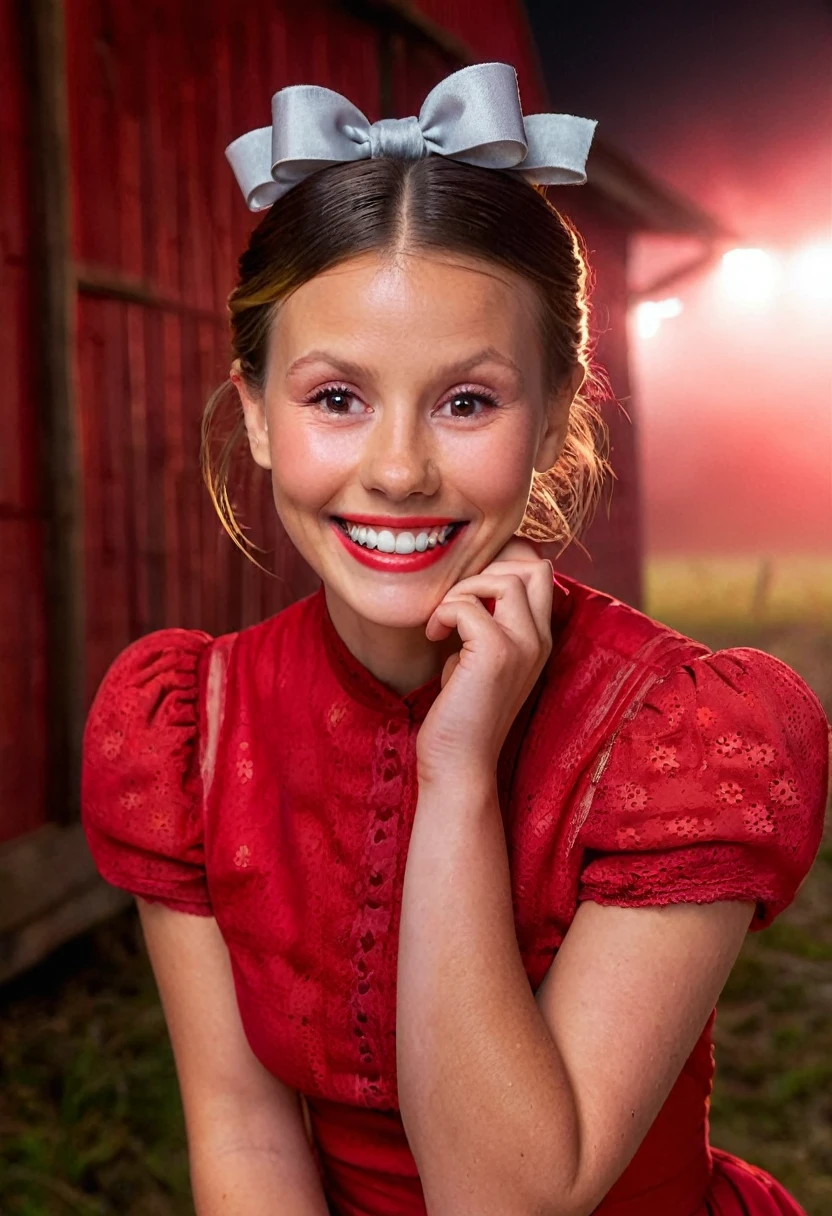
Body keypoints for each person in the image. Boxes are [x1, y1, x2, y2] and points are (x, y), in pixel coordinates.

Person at [81, 63, 829, 1216]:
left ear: (556, 412)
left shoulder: (678, 738)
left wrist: (456, 768)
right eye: (335, 398)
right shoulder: (193, 727)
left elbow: (508, 1195)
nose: (396, 470)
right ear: (255, 416)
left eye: (465, 401)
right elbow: (242, 1134)